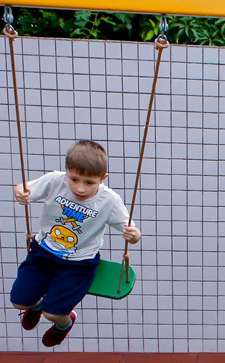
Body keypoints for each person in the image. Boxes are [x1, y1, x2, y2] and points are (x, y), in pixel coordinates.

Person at [10, 140, 141, 347]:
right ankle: (35, 306)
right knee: (19, 301)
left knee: (53, 313)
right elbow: (23, 188)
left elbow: (133, 232)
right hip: (42, 252)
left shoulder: (109, 200)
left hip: (78, 263)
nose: (80, 188)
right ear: (67, 172)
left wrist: (133, 235)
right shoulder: (55, 180)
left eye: (89, 183)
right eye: (74, 179)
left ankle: (64, 324)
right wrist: (20, 193)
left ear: (103, 178)